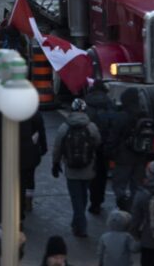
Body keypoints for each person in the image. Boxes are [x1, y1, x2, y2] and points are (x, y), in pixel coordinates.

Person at [51, 98, 102, 237]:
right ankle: (78, 223)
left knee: (76, 198)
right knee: (84, 196)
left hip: (71, 169)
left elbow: (57, 148)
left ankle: (80, 226)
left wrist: (55, 164)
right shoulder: (91, 126)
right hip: (88, 168)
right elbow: (98, 143)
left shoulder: (65, 127)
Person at [111, 88, 152, 211]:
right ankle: (136, 208)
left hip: (123, 158)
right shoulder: (144, 116)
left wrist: (110, 152)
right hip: (140, 157)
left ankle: (124, 206)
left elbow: (114, 137)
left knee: (119, 185)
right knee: (137, 185)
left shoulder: (121, 117)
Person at [84, 83, 117, 216]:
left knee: (92, 175)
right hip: (105, 145)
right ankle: (99, 200)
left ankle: (94, 202)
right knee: (102, 174)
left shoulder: (86, 104)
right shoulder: (109, 104)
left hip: (90, 145)